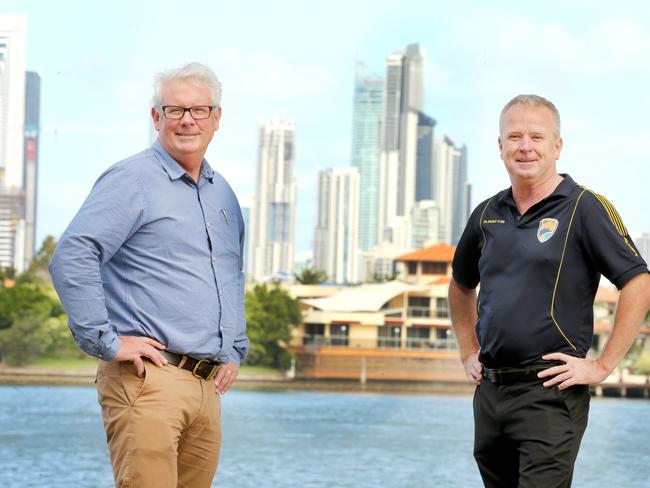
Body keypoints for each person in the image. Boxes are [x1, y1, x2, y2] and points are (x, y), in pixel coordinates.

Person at [50, 62, 248, 488]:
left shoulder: (223, 193)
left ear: (217, 118)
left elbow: (230, 274)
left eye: (199, 110)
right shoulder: (132, 179)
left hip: (206, 388)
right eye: (174, 110)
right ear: (155, 117)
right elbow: (73, 254)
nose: (187, 120)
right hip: (148, 380)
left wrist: (234, 348)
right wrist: (105, 339)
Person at [448, 94, 650, 487]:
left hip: (550, 392)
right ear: (501, 146)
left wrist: (603, 365)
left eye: (537, 137)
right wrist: (467, 349)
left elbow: (638, 281)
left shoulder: (584, 207)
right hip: (490, 392)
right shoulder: (487, 213)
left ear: (557, 146)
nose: (525, 146)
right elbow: (460, 286)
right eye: (515, 136)